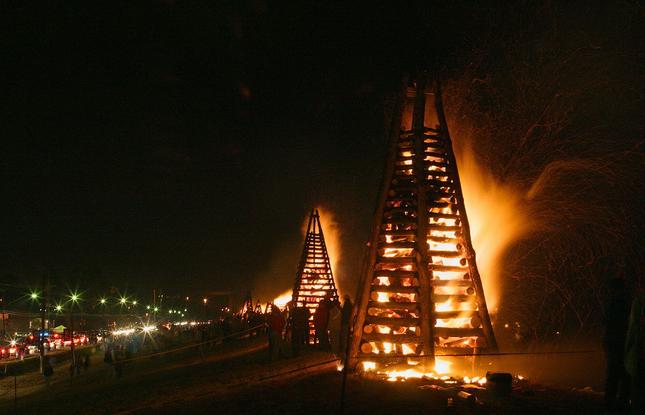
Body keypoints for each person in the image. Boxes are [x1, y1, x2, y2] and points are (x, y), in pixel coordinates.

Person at [603, 277, 630, 412]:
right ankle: (620, 404)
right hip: (623, 345)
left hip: (616, 345)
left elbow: (608, 323)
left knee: (614, 377)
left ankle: (611, 405)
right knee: (623, 377)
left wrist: (607, 342)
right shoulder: (627, 303)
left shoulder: (615, 304)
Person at [624, 290, 645, 415]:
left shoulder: (639, 300)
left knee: (638, 388)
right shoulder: (639, 300)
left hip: (640, 355)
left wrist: (627, 350)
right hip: (639, 355)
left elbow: (632, 329)